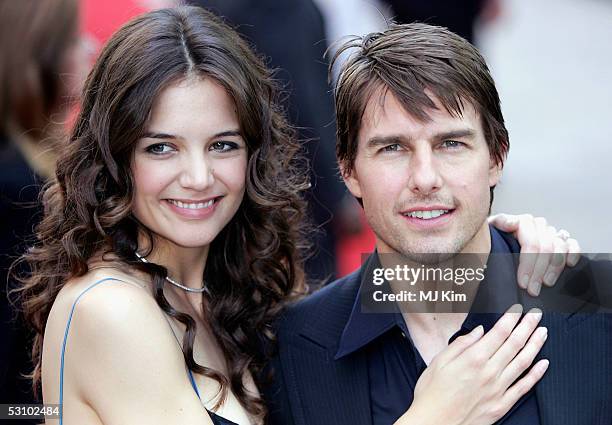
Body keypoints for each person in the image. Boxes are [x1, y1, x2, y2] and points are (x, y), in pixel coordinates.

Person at [12, 7, 586, 425]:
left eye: (223, 145)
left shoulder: (232, 298)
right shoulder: (111, 309)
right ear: (116, 156)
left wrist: (500, 249)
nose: (197, 176)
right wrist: (431, 416)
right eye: (160, 147)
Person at [262, 23, 610, 425]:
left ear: (496, 158)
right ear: (349, 171)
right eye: (393, 148)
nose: (425, 178)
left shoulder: (596, 307)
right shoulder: (292, 346)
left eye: (451, 144)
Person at [0, 0, 89, 420]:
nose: (89, 46)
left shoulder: (38, 163)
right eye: (73, 39)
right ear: (40, 53)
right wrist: (61, 412)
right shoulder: (15, 190)